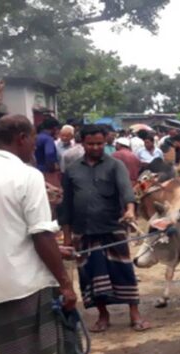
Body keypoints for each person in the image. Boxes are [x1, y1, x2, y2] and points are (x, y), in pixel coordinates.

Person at [0, 115, 134, 354]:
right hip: (31, 281)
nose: (36, 146)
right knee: (67, 342)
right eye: (33, 138)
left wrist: (58, 248)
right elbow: (41, 233)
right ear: (20, 138)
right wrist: (65, 282)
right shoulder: (25, 175)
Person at [60, 125, 149, 333]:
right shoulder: (72, 170)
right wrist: (67, 236)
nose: (95, 147)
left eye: (99, 143)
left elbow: (126, 191)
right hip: (84, 231)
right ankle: (103, 315)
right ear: (83, 143)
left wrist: (129, 210)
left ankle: (134, 313)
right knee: (91, 274)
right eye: (91, 144)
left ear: (105, 142)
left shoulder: (115, 165)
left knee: (123, 270)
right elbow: (66, 206)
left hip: (112, 228)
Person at [34, 118, 61, 188]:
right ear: (54, 128)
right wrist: (52, 168)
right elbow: (49, 154)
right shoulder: (48, 139)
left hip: (35, 169)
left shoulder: (36, 137)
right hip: (46, 172)